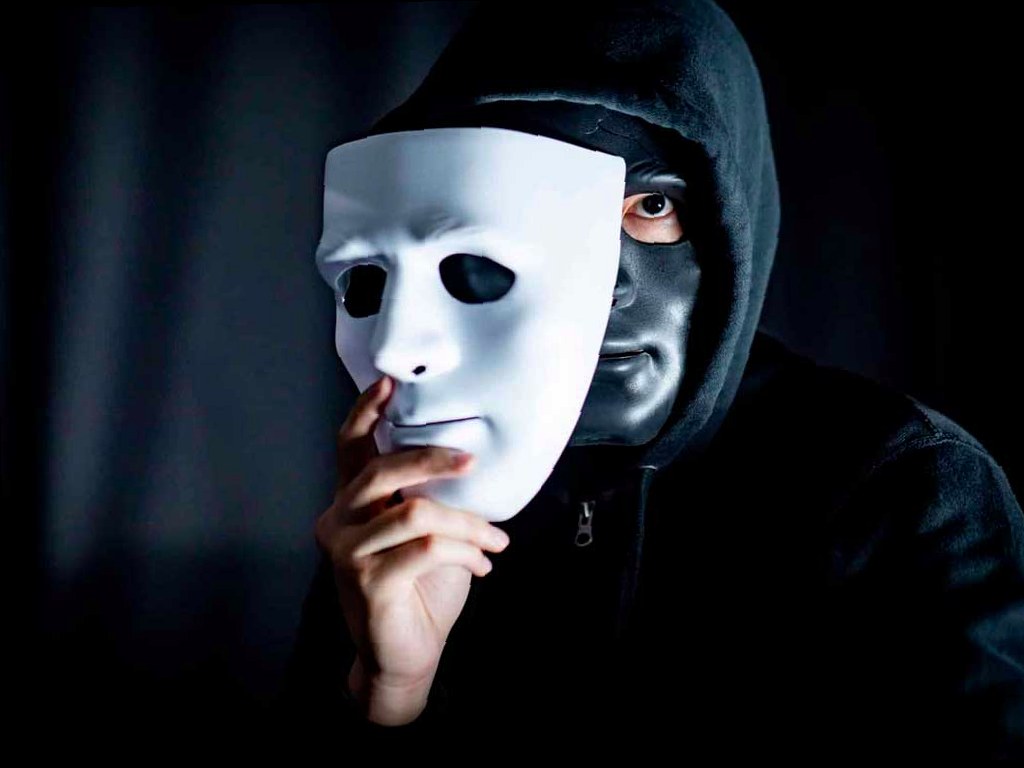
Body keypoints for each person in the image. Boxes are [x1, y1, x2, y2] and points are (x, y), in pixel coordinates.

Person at [279, 0, 1024, 757]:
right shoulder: (419, 501)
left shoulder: (899, 487)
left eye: (651, 205)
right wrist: (389, 693)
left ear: (732, 225)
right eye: (528, 220)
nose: (603, 286)